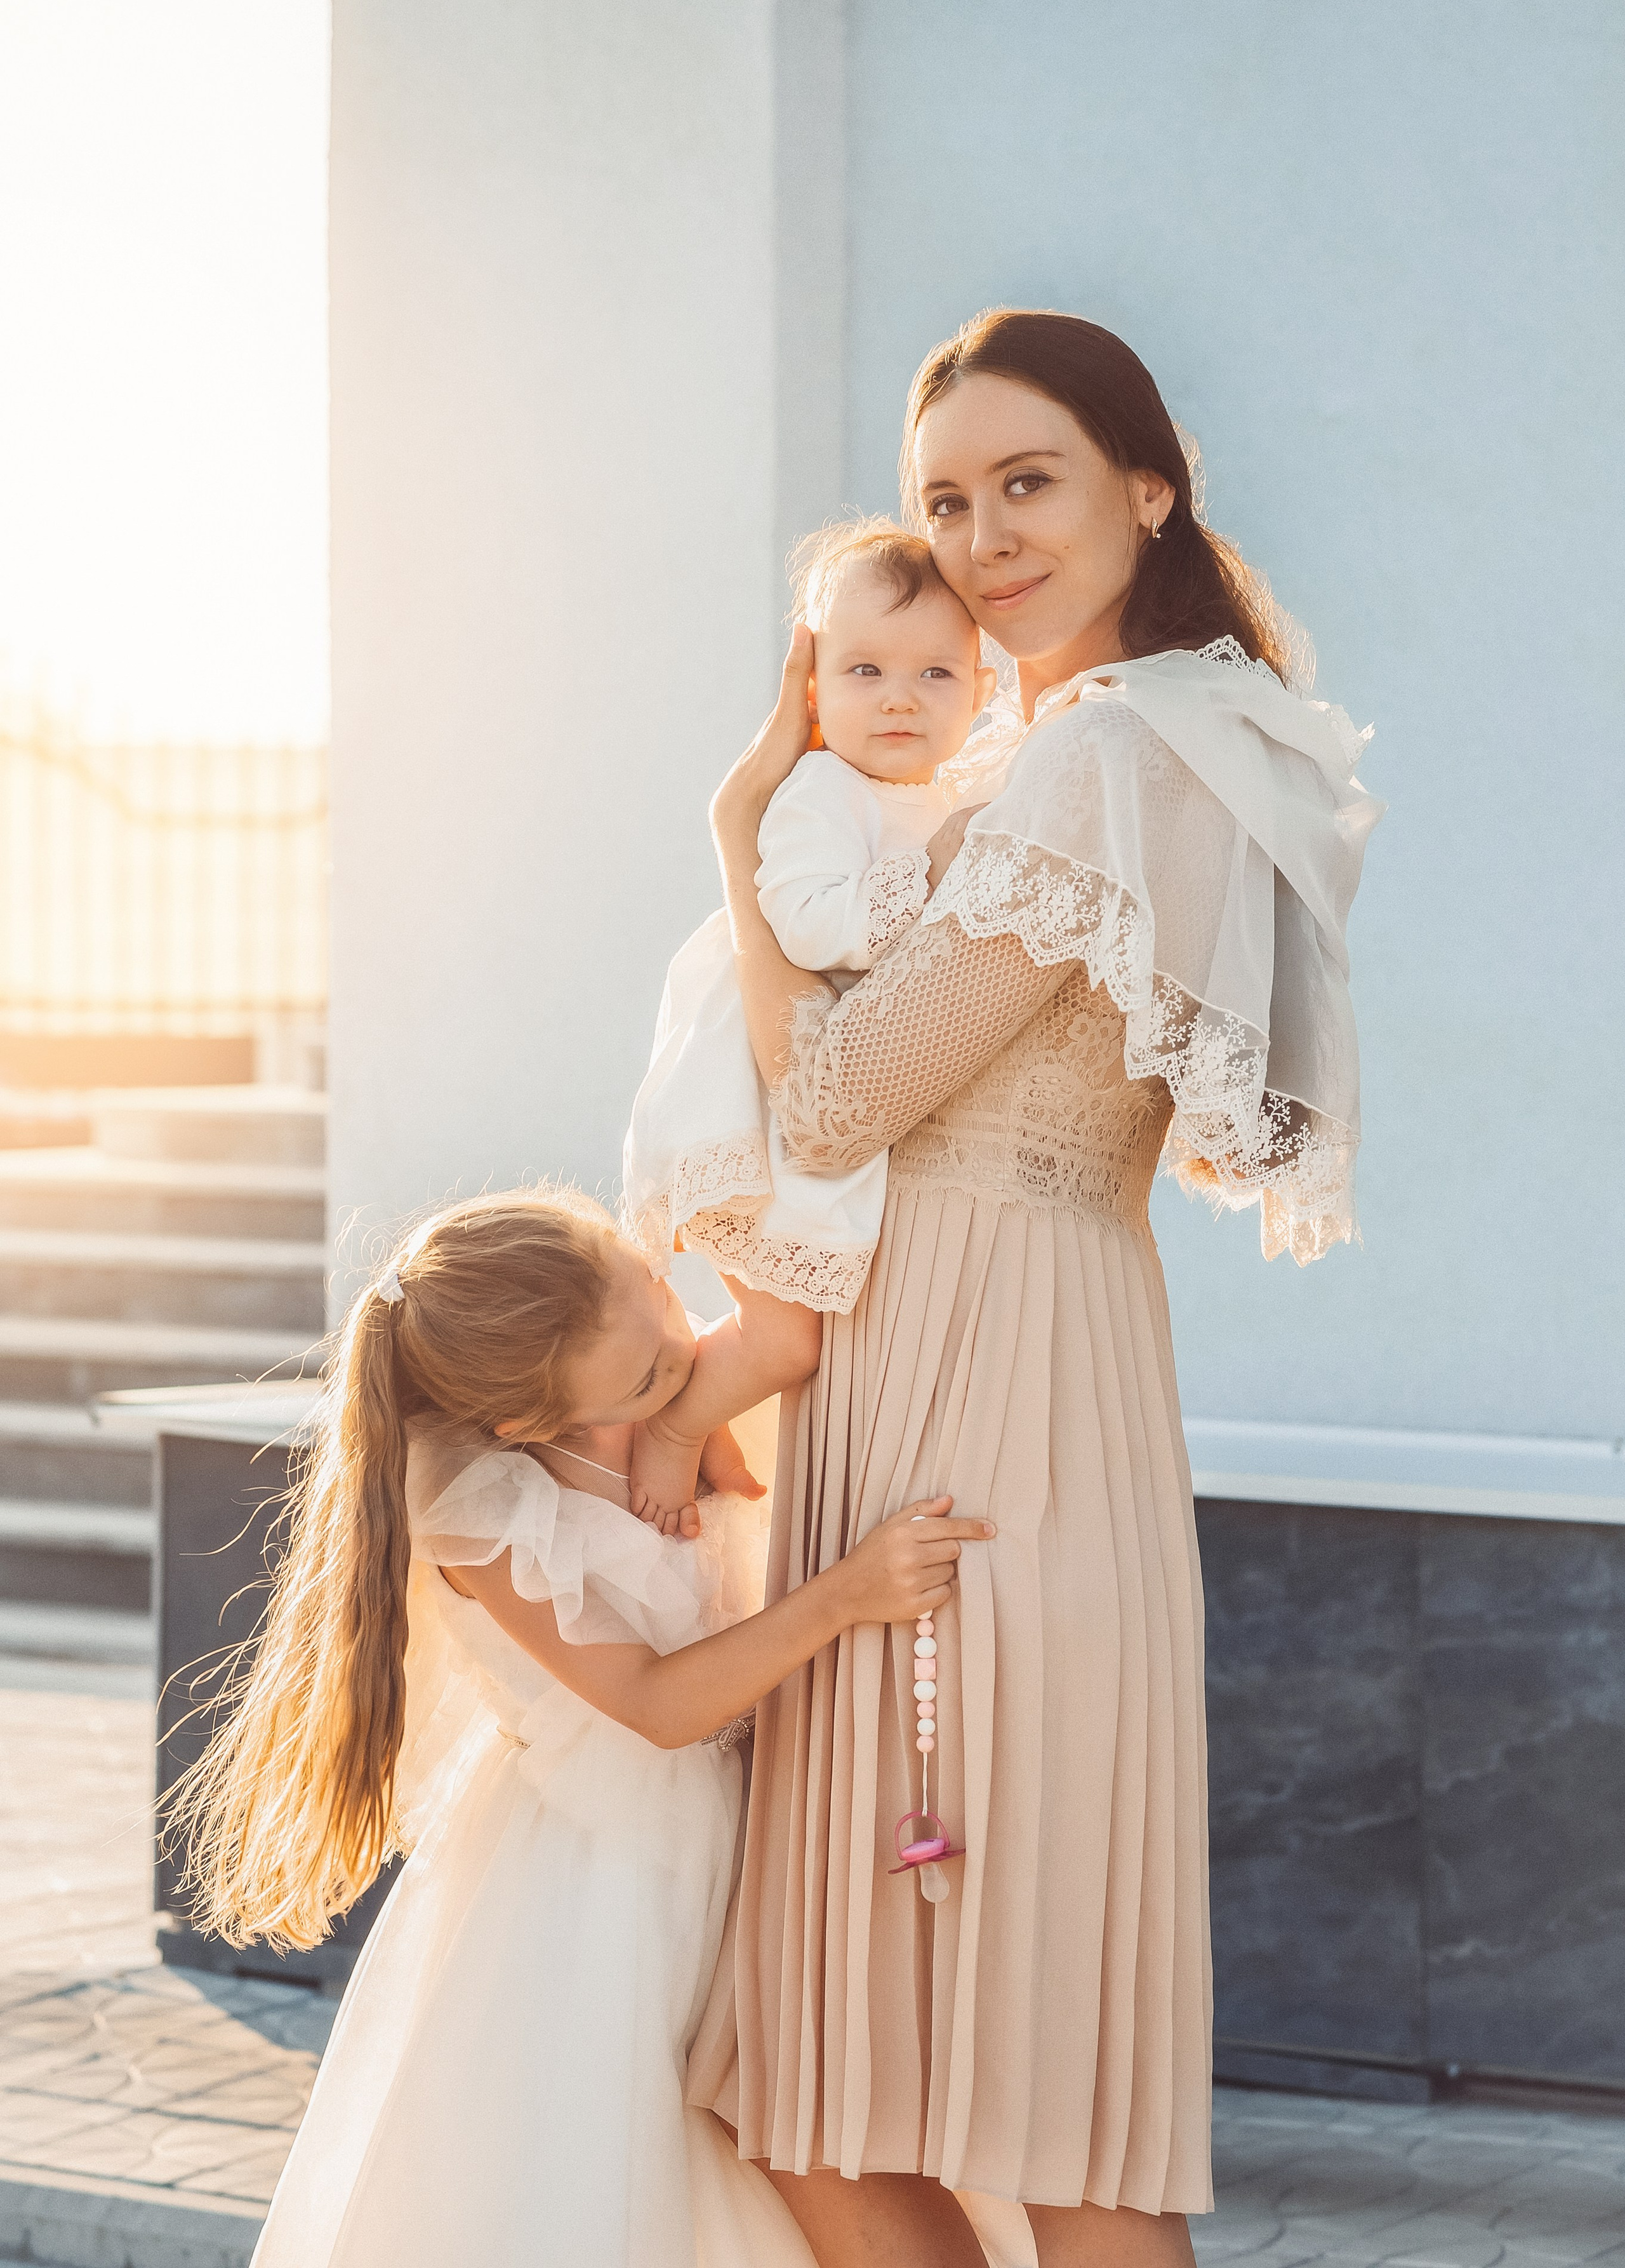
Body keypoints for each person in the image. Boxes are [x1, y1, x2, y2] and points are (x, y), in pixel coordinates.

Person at [691, 310, 1384, 2268]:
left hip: (975, 1394)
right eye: (942, 499)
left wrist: (737, 841)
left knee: (869, 2081)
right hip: (1037, 1358)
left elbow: (833, 1092)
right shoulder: (1180, 734)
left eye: (1029, 483)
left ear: (1144, 489)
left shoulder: (1102, 755)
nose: (982, 536)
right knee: (992, 2079)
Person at [171, 1187, 995, 2268]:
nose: (676, 1345)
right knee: (631, 2181)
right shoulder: (484, 1509)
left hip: (758, 1830)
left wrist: (687, 1355)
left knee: (838, 2146)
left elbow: (785, 1334)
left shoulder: (658, 1379)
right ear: (523, 1420)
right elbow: (657, 1705)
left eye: (656, 1293)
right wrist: (846, 1594)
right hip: (617, 1883)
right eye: (647, 1372)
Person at [623, 519, 995, 1528]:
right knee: (786, 1339)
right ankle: (666, 1429)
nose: (901, 698)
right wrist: (934, 871)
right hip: (753, 1088)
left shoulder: (943, 797)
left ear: (981, 693)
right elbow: (809, 920)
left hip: (829, 1091)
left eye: (935, 675)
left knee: (812, 1337)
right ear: (815, 686)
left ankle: (692, 1421)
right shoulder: (824, 790)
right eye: (866, 669)